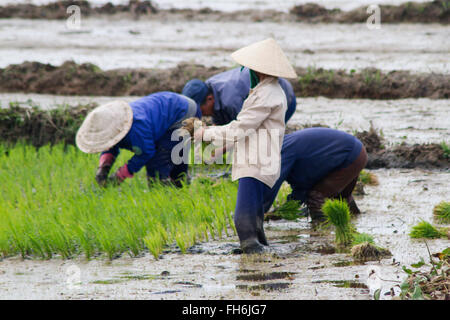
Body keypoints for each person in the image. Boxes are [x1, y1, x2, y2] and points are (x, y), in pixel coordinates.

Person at [194, 38, 298, 254]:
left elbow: (240, 127)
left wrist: (206, 133)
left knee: (244, 219)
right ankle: (260, 252)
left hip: (255, 161)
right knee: (255, 217)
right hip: (262, 159)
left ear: (258, 69)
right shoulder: (269, 90)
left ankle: (253, 252)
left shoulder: (266, 94)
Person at [75, 91, 203, 187]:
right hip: (168, 111)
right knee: (173, 160)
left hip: (184, 114)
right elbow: (110, 146)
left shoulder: (136, 130)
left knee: (157, 167)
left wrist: (120, 175)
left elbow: (146, 153)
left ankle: (168, 197)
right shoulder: (116, 127)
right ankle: (181, 189)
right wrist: (103, 168)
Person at [263, 127, 368, 225]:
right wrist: (283, 211)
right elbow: (301, 189)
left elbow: (272, 184)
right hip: (355, 152)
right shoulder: (284, 145)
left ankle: (320, 232)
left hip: (349, 157)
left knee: (316, 197)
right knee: (342, 198)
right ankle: (356, 222)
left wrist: (260, 211)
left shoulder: (281, 152)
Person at [182, 67, 297, 125]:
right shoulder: (207, 88)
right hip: (250, 93)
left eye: (200, 110)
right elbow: (220, 122)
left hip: (284, 98)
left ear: (210, 99)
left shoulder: (231, 101)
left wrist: (218, 151)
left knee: (264, 138)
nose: (199, 115)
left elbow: (244, 130)